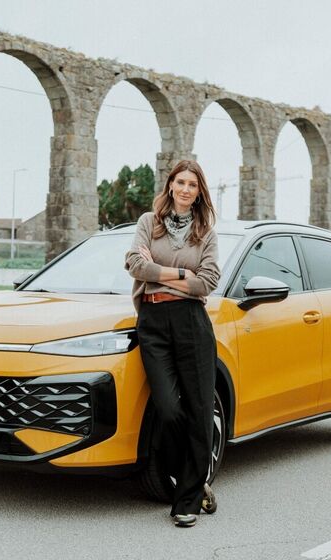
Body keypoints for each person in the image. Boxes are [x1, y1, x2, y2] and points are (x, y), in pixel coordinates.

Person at [124, 159, 221, 528]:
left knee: (198, 410)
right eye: (180, 182)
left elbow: (207, 282)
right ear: (170, 186)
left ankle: (188, 500)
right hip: (152, 322)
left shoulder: (206, 232)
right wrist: (183, 273)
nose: (185, 189)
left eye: (192, 185)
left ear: (199, 193)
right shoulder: (148, 222)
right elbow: (135, 265)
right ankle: (198, 480)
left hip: (191, 324)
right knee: (167, 407)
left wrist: (162, 273)